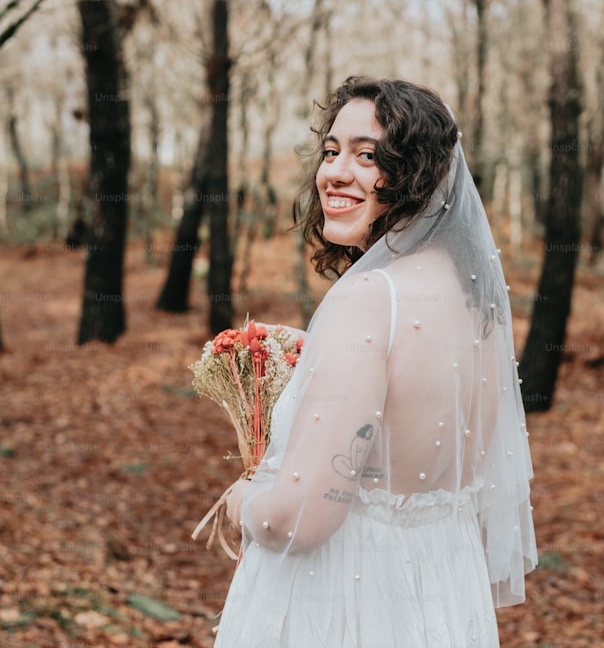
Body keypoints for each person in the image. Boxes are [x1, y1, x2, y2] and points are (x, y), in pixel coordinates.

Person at [215, 76, 537, 647]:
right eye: (333, 151)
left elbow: (303, 518)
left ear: (415, 176)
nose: (336, 172)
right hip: (439, 600)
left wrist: (242, 503)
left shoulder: (368, 299)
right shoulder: (474, 304)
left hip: (345, 608)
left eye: (369, 156)